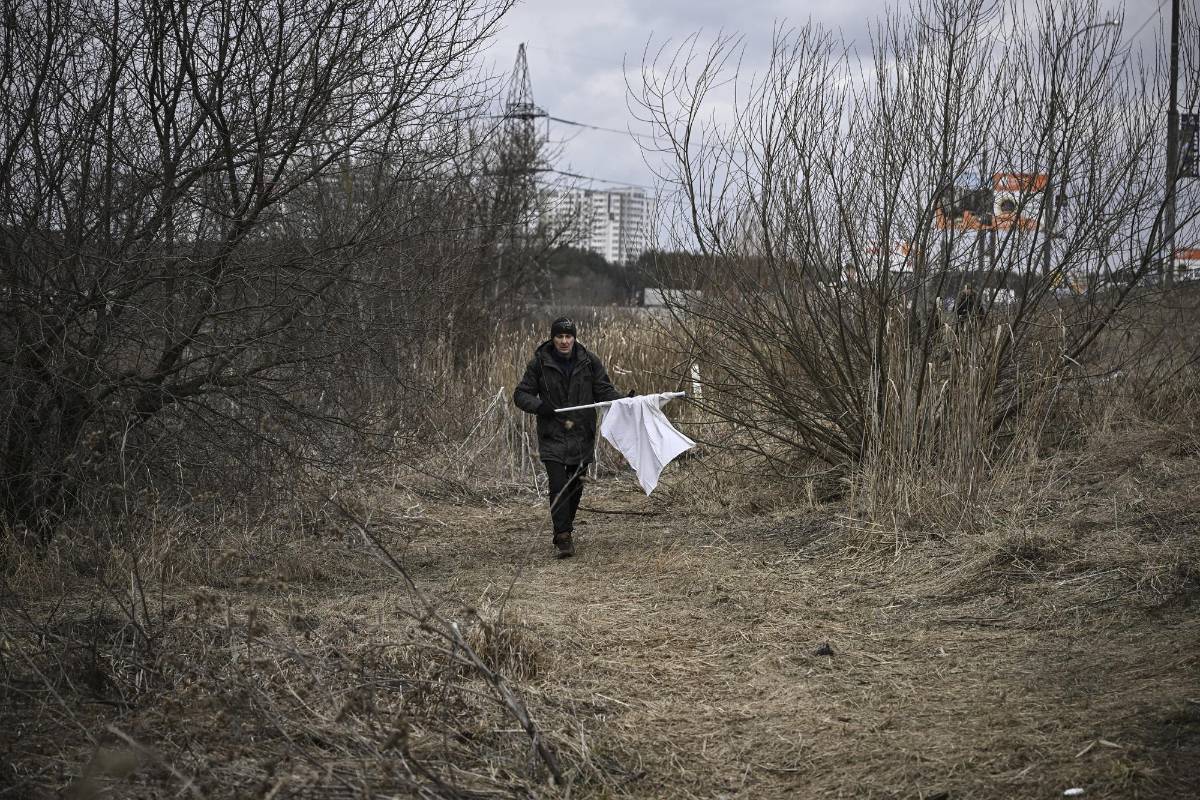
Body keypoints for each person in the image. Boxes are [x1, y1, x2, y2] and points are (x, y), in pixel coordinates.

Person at [514, 317, 628, 558]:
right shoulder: (539, 364)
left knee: (575, 486)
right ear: (552, 338)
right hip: (552, 433)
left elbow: (603, 390)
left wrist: (624, 401)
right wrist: (539, 406)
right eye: (559, 336)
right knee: (558, 485)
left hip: (581, 433)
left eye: (568, 336)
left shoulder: (589, 361)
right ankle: (563, 536)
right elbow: (521, 394)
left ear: (574, 337)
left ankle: (565, 528)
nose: (564, 341)